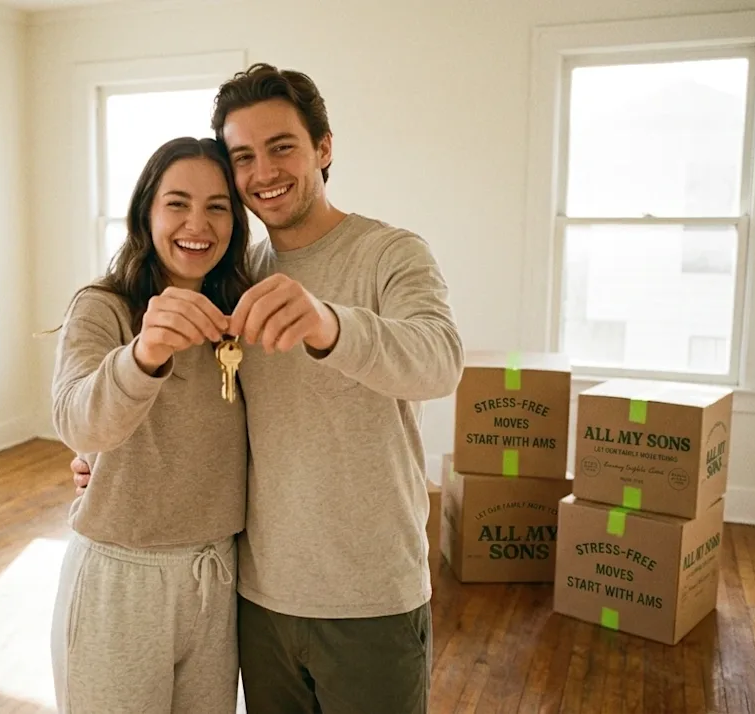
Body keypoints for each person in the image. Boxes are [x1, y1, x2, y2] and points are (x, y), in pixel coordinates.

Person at [72, 63, 464, 713]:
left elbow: (440, 363)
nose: (264, 172)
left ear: (324, 147)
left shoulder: (392, 253)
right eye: (243, 157)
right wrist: (104, 461)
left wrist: (329, 323)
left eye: (282, 147)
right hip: (255, 597)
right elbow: (199, 409)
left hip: (371, 596)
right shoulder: (236, 277)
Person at [48, 136, 254, 714]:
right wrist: (144, 355)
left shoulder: (242, 315)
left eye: (218, 206)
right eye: (177, 203)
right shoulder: (103, 307)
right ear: (146, 212)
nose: (198, 223)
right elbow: (75, 420)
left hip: (216, 575)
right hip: (120, 576)